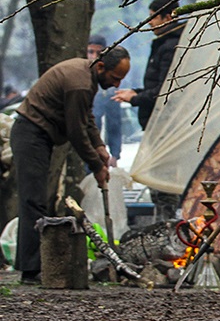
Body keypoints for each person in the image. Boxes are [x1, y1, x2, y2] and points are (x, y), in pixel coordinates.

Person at [10, 46, 131, 284]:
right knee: (33, 200)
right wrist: (97, 166)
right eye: (115, 78)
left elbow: (86, 117)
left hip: (39, 135)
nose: (116, 85)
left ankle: (34, 265)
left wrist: (99, 145)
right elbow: (76, 131)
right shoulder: (80, 83)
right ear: (100, 67)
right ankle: (31, 269)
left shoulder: (86, 76)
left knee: (36, 198)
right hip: (31, 133)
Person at [114, 0, 186, 221]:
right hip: (157, 126)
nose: (150, 23)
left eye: (153, 17)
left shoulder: (171, 46)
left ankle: (167, 226)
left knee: (162, 184)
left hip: (165, 127)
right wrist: (136, 93)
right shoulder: (163, 44)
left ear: (167, 16)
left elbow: (164, 91)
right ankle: (164, 224)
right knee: (158, 184)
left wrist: (136, 98)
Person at [87, 35, 121, 168]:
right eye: (90, 52)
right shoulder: (77, 75)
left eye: (98, 53)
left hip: (94, 147)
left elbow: (114, 122)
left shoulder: (107, 81)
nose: (94, 57)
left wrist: (115, 153)